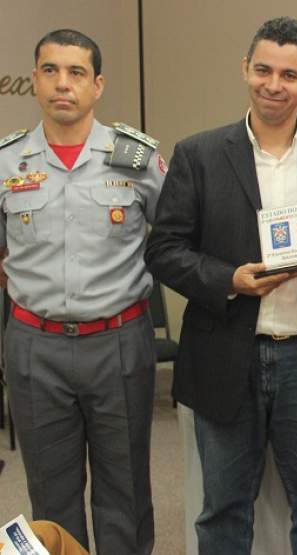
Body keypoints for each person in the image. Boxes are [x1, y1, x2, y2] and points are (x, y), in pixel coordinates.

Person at [144, 17, 297, 554]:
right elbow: (163, 250)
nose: (273, 85)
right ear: (245, 69)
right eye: (263, 70)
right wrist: (229, 280)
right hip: (225, 356)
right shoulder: (198, 154)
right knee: (222, 512)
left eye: (289, 75)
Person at [0, 29, 164, 554]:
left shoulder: (135, 158)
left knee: (125, 488)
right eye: (50, 71)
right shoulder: (7, 162)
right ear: (34, 81)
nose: (62, 84)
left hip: (118, 342)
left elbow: (175, 239)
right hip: (36, 348)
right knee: (50, 491)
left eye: (76, 73)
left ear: (98, 85)